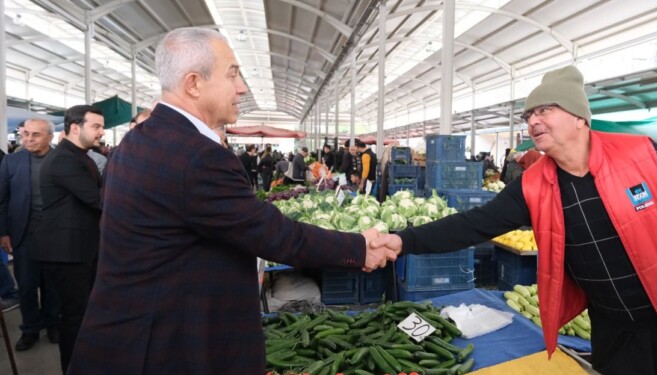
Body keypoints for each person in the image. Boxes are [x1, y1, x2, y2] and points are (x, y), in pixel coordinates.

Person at [371, 65, 657, 375]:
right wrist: (403, 240)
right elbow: (474, 224)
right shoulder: (533, 185)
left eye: (543, 111)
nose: (532, 121)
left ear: (578, 117)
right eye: (528, 115)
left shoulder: (642, 155)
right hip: (618, 331)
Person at [68, 27, 396, 374]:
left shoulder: (136, 142)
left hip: (130, 338)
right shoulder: (197, 155)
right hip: (164, 350)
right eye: (232, 75)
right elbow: (274, 234)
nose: (242, 88)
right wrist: (359, 248)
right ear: (194, 83)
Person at [32, 105, 104, 371]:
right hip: (67, 253)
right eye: (96, 126)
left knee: (82, 314)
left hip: (80, 249)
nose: (101, 132)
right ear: (75, 128)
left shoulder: (79, 156)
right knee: (75, 316)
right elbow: (98, 199)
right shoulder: (64, 159)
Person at [0, 118, 62, 351]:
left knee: (53, 285)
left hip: (55, 234)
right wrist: (3, 233)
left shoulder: (62, 160)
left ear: (49, 137)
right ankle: (30, 329)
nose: (28, 139)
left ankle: (53, 323)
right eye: (25, 134)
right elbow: (2, 199)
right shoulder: (11, 161)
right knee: (26, 286)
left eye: (35, 134)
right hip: (24, 234)